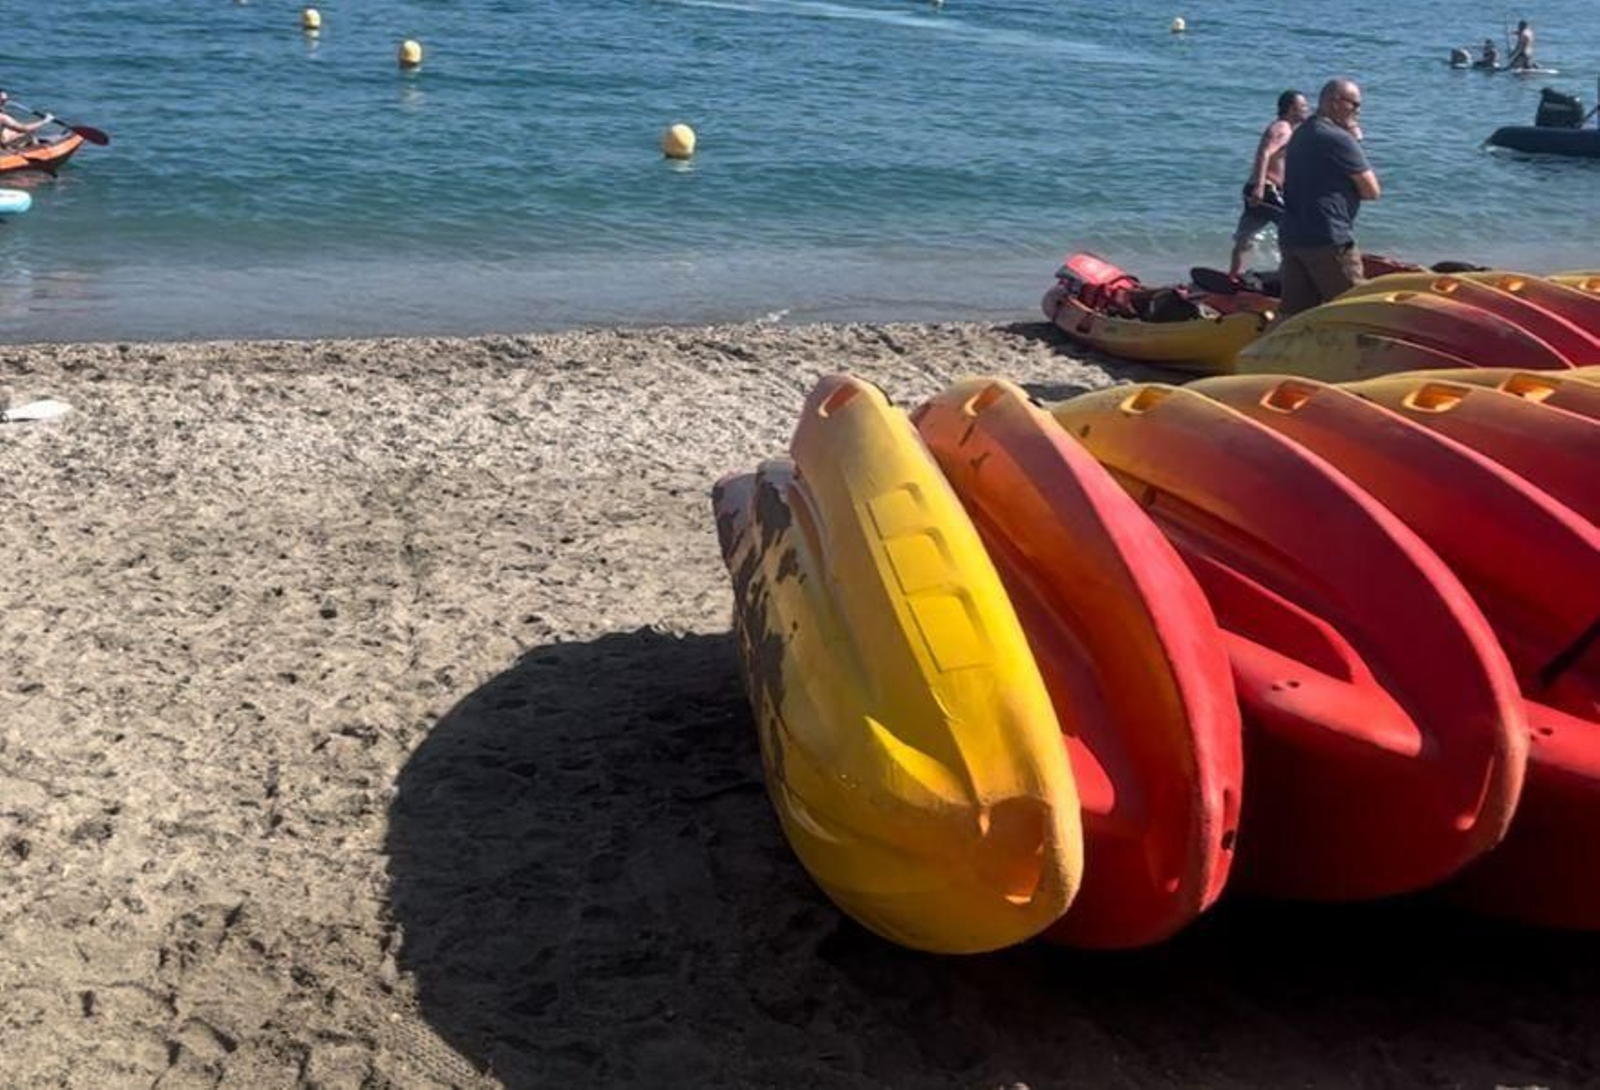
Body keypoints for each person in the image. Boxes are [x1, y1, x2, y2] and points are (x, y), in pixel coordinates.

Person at [1277, 78, 1381, 317]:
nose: (1358, 111)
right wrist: (1351, 137)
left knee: (1295, 316)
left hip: (1293, 236)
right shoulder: (1337, 138)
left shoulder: (1301, 133)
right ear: (1335, 102)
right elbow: (1372, 191)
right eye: (1354, 105)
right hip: (1328, 240)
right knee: (1356, 311)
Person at [1228, 89, 1310, 277]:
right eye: (1303, 106)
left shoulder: (1287, 129)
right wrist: (1259, 186)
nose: (1307, 109)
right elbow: (1264, 153)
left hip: (1263, 190)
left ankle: (1232, 277)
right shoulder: (1282, 128)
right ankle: (1291, 273)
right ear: (1291, 108)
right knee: (1294, 226)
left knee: (1244, 238)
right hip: (1264, 189)